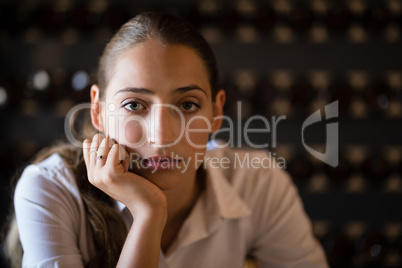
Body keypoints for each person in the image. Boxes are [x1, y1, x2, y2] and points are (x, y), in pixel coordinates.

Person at [6, 12, 328, 268]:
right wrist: (148, 214)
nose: (162, 136)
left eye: (187, 105)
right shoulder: (50, 189)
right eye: (134, 105)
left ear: (216, 113)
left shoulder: (257, 182)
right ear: (99, 111)